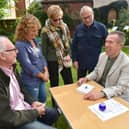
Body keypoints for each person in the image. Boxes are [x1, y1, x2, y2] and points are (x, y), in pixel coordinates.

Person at [0, 36, 59, 129]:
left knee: (53, 113)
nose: (17, 52)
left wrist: (32, 102)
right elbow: (7, 117)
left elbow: (22, 90)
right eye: (13, 49)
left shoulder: (12, 68)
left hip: (25, 109)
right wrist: (35, 112)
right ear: (2, 56)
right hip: (14, 120)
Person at [78, 31, 129, 102]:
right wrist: (86, 78)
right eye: (106, 41)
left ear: (120, 45)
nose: (106, 45)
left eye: (110, 42)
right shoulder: (102, 55)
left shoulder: (126, 62)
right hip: (100, 89)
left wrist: (101, 93)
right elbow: (96, 71)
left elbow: (121, 87)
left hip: (116, 97)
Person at [41, 5, 73, 105]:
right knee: (55, 84)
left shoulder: (64, 26)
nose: (59, 21)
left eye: (60, 18)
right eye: (56, 19)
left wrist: (69, 54)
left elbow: (68, 42)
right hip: (52, 61)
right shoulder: (45, 31)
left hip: (65, 58)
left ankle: (71, 102)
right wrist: (45, 66)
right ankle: (56, 107)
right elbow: (44, 51)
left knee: (69, 82)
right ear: (50, 18)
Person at [15, 14, 49, 103]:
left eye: (37, 30)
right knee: (33, 105)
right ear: (25, 30)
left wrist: (46, 71)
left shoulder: (34, 40)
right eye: (33, 31)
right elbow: (27, 66)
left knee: (43, 99)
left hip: (41, 79)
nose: (36, 33)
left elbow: (41, 57)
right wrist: (43, 75)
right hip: (30, 82)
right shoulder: (20, 45)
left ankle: (43, 117)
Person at [72, 5, 108, 79]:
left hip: (96, 63)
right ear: (81, 18)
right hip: (81, 63)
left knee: (94, 84)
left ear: (93, 14)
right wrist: (75, 60)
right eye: (84, 18)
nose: (87, 20)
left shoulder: (102, 28)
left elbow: (108, 44)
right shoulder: (78, 29)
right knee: (81, 84)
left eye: (89, 16)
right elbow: (74, 46)